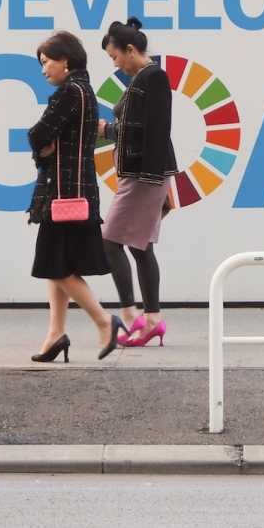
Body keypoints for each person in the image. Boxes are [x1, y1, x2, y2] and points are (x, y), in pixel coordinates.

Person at [26, 30, 125, 363]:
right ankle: (55, 334)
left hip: (63, 195)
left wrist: (43, 148)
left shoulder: (68, 93)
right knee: (58, 266)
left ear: (65, 60)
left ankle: (104, 321)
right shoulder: (86, 91)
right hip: (79, 193)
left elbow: (37, 133)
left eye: (46, 62)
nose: (43, 70)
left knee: (55, 265)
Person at [99, 18, 177, 347]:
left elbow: (158, 129)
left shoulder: (153, 77)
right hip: (142, 174)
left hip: (144, 176)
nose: (115, 64)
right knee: (139, 246)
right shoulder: (144, 79)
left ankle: (132, 316)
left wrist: (153, 179)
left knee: (109, 241)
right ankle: (153, 320)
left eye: (115, 57)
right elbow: (141, 128)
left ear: (130, 50)